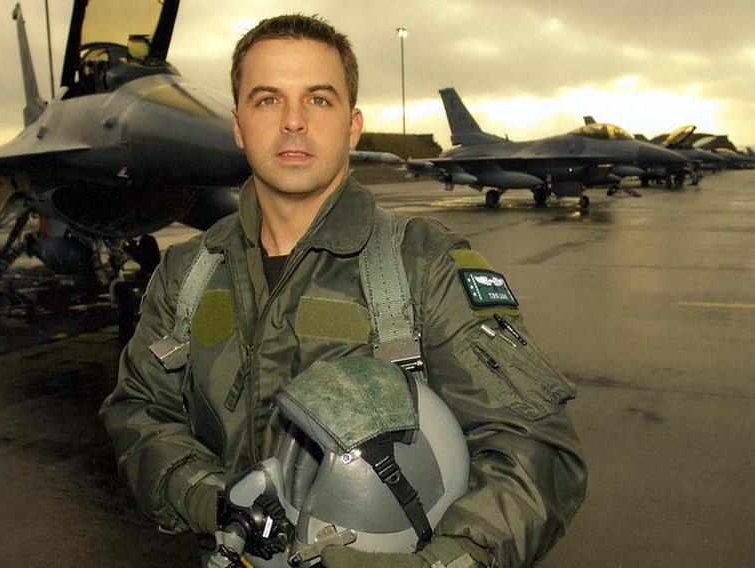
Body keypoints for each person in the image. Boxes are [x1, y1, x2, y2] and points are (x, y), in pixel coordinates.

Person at [101, 14, 587, 568]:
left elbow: (536, 448)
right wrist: (209, 499)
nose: (292, 123)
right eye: (266, 101)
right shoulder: (187, 273)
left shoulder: (423, 267)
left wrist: (445, 562)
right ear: (238, 125)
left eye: (319, 100)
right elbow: (138, 409)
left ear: (352, 125)